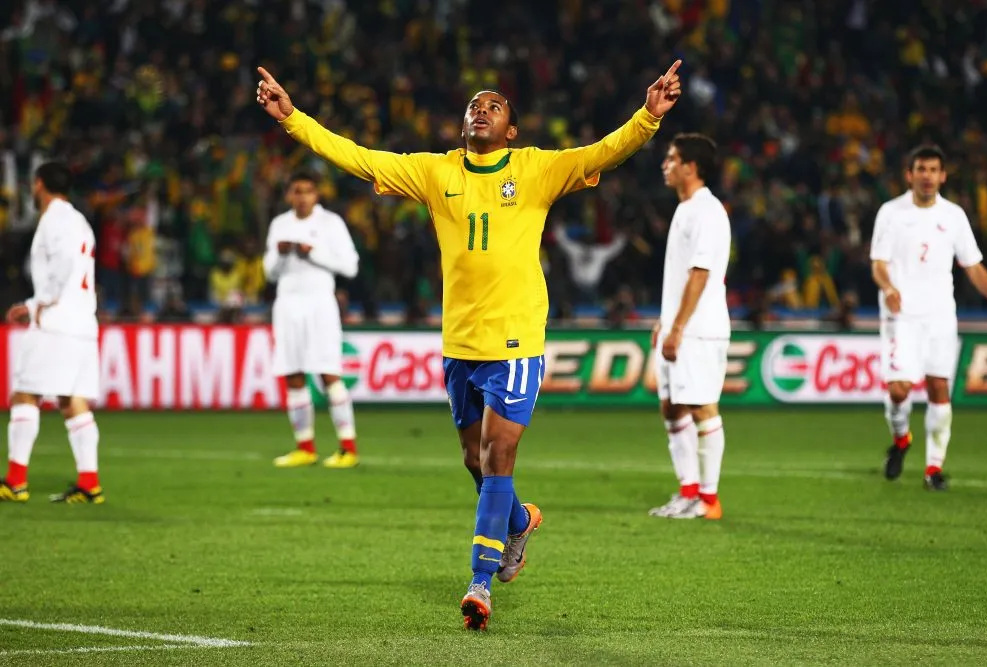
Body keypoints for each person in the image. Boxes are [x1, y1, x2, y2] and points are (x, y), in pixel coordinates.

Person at [256, 61, 682, 630]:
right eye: (473, 106)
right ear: (463, 126)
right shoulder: (436, 174)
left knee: (497, 455)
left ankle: (480, 582)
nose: (481, 110)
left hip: (515, 338)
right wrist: (293, 119)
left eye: (494, 106)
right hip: (461, 341)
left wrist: (648, 117)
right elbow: (359, 157)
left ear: (511, 129)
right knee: (472, 460)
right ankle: (517, 522)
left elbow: (602, 152)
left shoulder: (536, 170)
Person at [870, 145, 987, 490]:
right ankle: (901, 438)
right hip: (901, 314)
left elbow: (972, 265)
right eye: (921, 168)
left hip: (939, 316)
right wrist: (889, 288)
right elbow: (878, 263)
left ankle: (934, 469)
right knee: (898, 389)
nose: (927, 175)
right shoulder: (891, 213)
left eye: (934, 169)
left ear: (943, 176)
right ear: (909, 175)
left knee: (939, 388)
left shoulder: (953, 216)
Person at [1, 162, 103, 504]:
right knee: (72, 401)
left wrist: (38, 303)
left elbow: (63, 264)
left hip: (56, 322)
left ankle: (15, 481)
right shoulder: (80, 221)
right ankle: (90, 483)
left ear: (39, 183)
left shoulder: (54, 220)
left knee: (25, 394)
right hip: (83, 323)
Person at [648, 135, 732, 521]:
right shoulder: (686, 209)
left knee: (702, 408)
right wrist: (665, 321)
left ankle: (709, 500)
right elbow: (682, 275)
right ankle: (688, 492)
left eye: (672, 158)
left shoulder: (707, 211)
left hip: (699, 329)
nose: (665, 165)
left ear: (691, 167)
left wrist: (679, 327)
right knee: (672, 407)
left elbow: (701, 274)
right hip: (680, 326)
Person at [264, 172, 361, 469]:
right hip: (287, 304)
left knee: (328, 373)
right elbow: (269, 273)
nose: (302, 196)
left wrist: (313, 253)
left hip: (320, 303)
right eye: (296, 191)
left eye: (308, 191)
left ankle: (348, 448)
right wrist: (280, 256)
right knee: (292, 373)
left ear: (316, 195)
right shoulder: (279, 224)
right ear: (288, 195)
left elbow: (350, 266)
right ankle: (304, 447)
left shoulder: (330, 223)